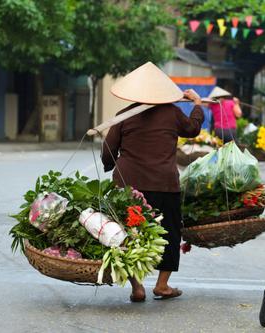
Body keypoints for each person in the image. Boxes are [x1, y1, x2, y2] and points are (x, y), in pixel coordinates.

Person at [101, 62, 204, 302]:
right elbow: (193, 129)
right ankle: (162, 285)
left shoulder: (124, 116)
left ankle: (137, 287)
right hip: (163, 184)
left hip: (128, 185)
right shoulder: (172, 113)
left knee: (127, 233)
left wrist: (112, 165)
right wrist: (197, 104)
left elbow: (108, 150)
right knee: (169, 231)